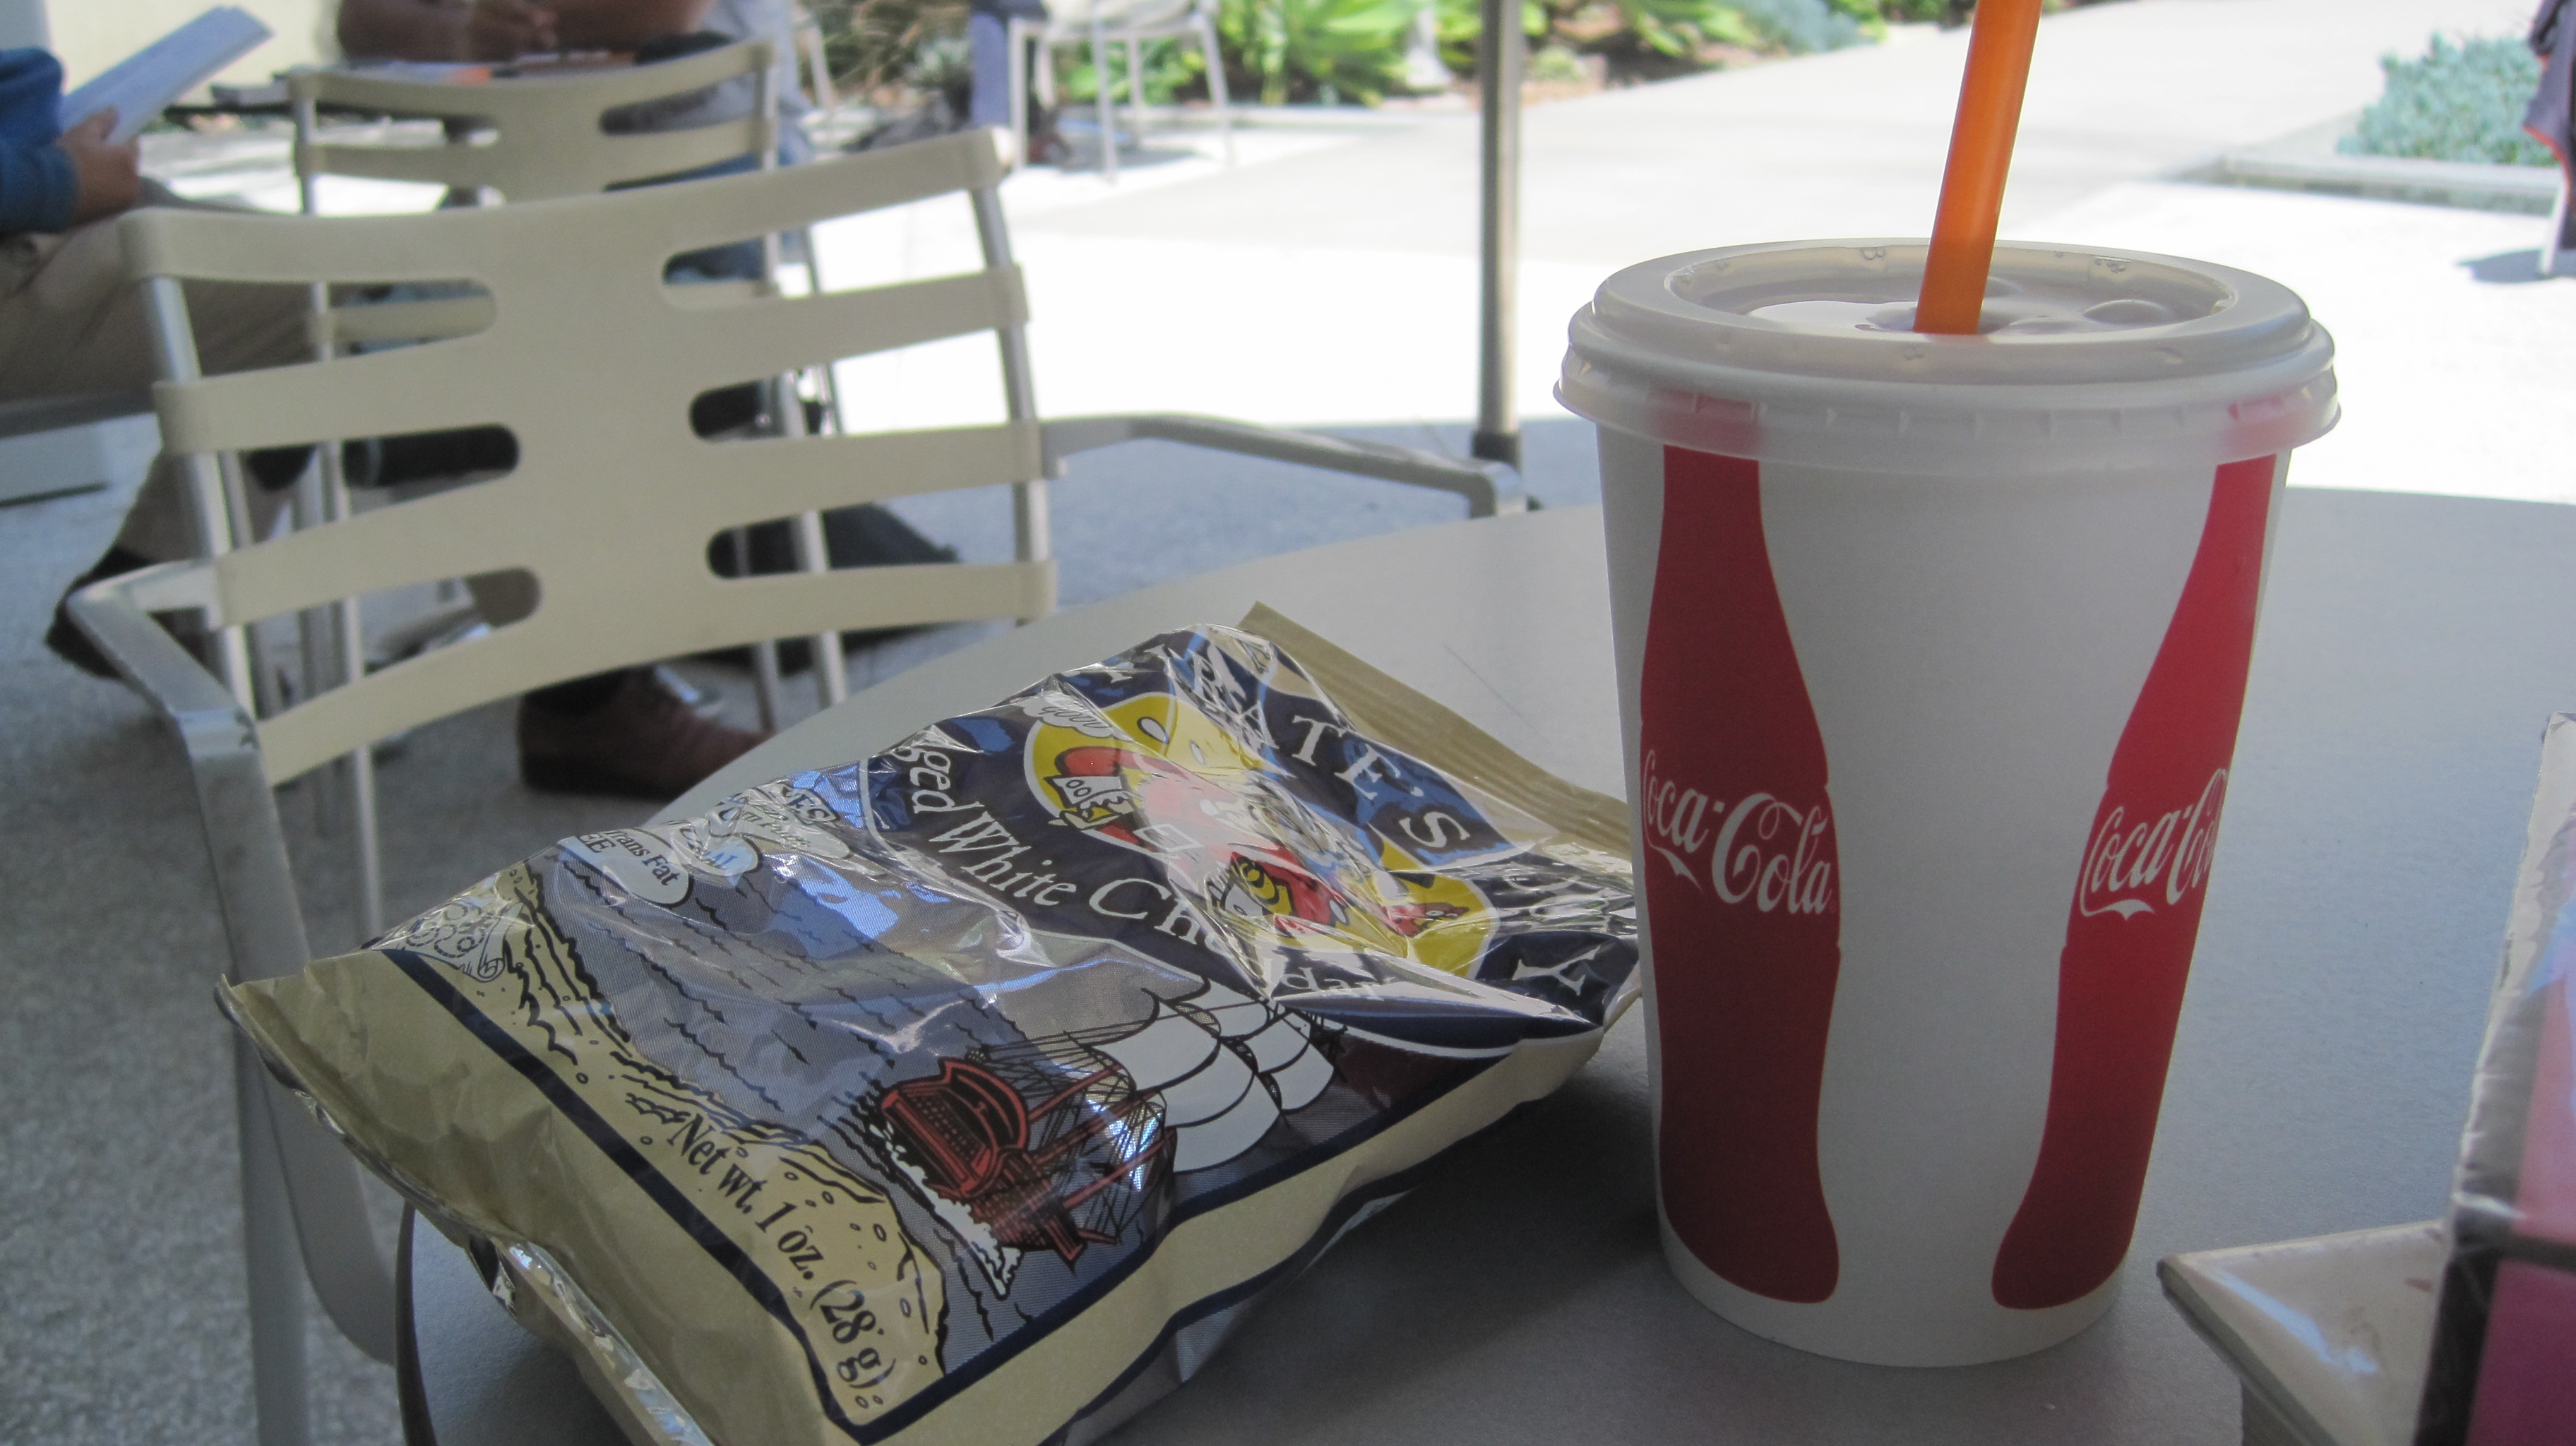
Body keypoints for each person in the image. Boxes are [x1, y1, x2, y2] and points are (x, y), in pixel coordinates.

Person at [14, 35, 763, 801]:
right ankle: (586, 702)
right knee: (420, 315)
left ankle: (148, 590)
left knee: (366, 294)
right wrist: (53, 179)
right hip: (30, 217)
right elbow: (366, 22)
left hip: (49, 194)